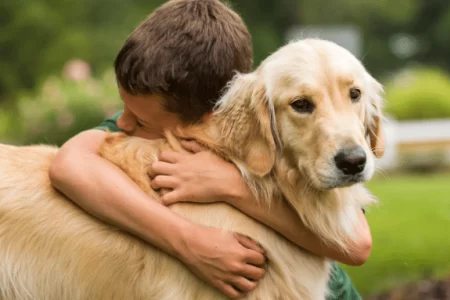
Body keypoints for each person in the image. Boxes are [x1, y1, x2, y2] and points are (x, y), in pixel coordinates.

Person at [48, 0, 371, 299]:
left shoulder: (256, 121)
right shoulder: (155, 113)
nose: (124, 124)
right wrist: (187, 240)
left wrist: (231, 186)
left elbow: (356, 245)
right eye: (124, 109)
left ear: (208, 118)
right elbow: (69, 164)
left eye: (141, 119)